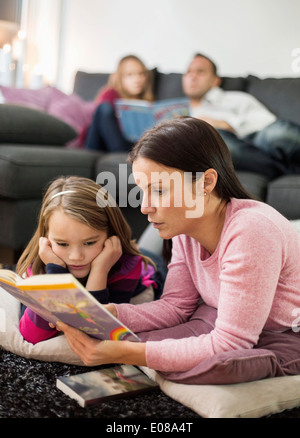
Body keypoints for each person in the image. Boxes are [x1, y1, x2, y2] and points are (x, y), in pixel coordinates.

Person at [56, 117, 300, 385]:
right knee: (135, 339)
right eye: (142, 192)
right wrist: (111, 313)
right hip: (220, 316)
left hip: (287, 332)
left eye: (158, 191)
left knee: (218, 363)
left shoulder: (251, 230)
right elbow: (176, 307)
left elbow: (232, 342)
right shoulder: (186, 228)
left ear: (206, 183)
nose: (145, 207)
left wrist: (129, 353)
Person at [17, 176, 165, 345]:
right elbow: (31, 336)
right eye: (62, 244)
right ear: (46, 238)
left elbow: (99, 333)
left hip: (150, 269)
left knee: (157, 241)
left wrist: (100, 269)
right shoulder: (42, 262)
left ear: (110, 234)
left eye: (89, 242)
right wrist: (54, 273)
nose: (76, 256)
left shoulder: (127, 266)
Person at [182, 53, 300, 179]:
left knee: (278, 133)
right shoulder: (175, 112)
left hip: (258, 139)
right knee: (217, 144)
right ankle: (284, 169)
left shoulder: (235, 98)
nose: (192, 76)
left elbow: (268, 124)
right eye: (188, 72)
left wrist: (227, 125)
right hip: (231, 152)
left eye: (200, 72)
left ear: (215, 80)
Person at [84, 55, 154, 152]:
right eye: (130, 75)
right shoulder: (111, 94)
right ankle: (123, 156)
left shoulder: (147, 102)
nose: (137, 79)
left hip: (130, 144)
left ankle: (126, 158)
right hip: (100, 144)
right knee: (104, 108)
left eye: (141, 74)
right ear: (120, 78)